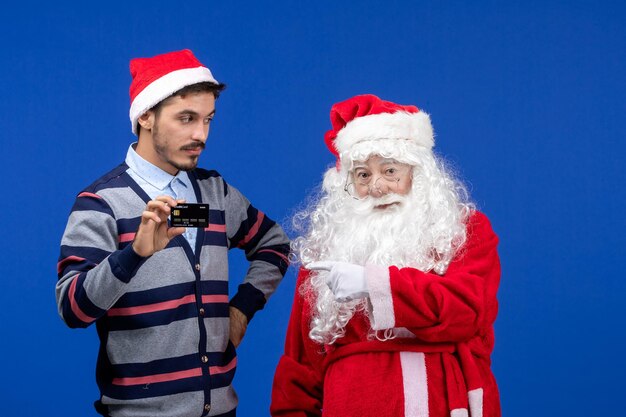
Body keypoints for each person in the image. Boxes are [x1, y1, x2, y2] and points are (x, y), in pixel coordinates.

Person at [56, 49, 290, 417]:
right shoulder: (102, 202)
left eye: (208, 120)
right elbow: (72, 309)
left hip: (221, 409)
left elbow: (274, 245)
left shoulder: (214, 192)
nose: (201, 134)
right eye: (186, 118)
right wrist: (134, 255)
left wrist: (242, 309)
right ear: (146, 116)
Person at [271, 94, 501, 417]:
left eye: (389, 170)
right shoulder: (329, 248)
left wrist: (374, 283)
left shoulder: (465, 231)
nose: (377, 187)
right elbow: (299, 372)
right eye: (363, 175)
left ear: (418, 174)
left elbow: (467, 309)